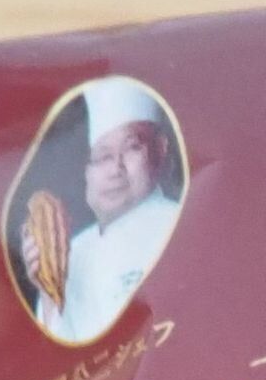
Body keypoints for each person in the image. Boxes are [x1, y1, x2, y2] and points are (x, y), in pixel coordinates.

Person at [58, 98, 181, 341]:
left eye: (132, 148)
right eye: (102, 157)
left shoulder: (179, 223)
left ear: (160, 148)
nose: (116, 169)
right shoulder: (73, 253)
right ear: (86, 172)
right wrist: (50, 294)